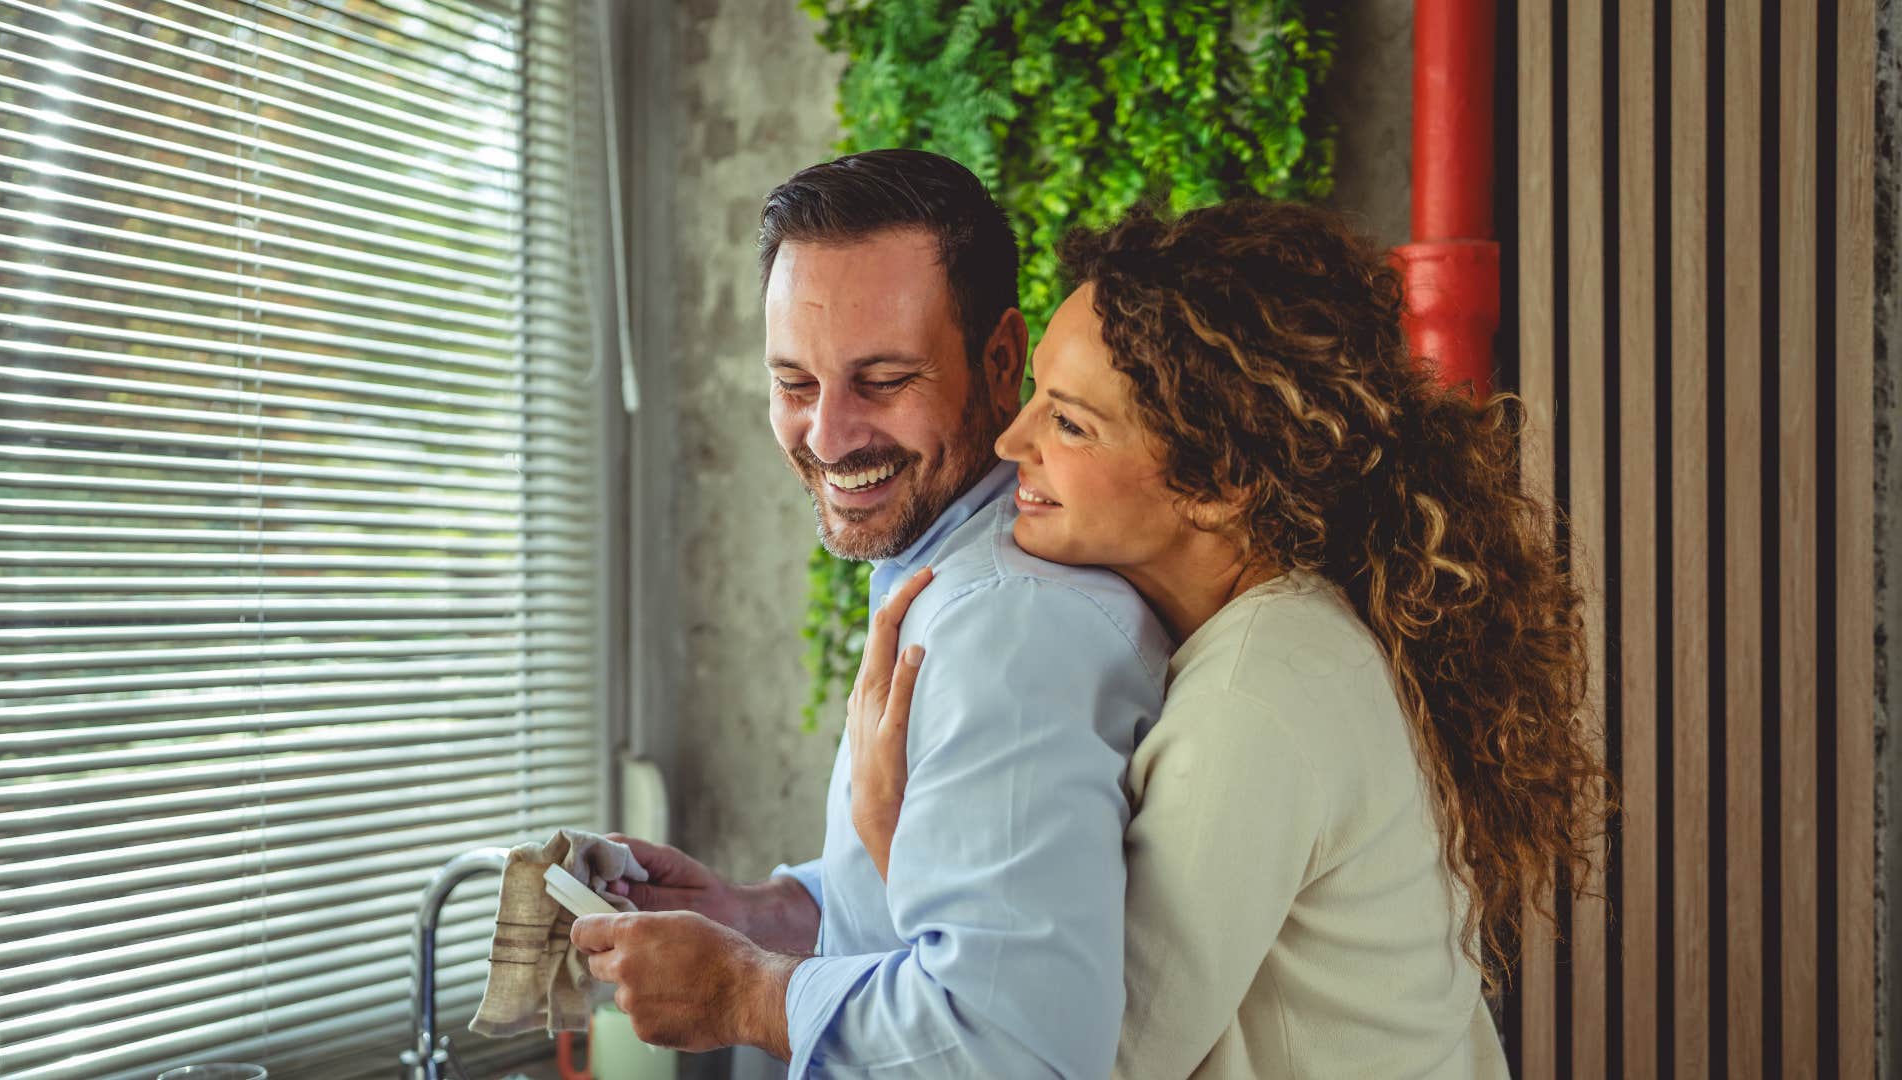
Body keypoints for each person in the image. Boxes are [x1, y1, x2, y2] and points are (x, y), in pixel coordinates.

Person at [845, 198, 1613, 1077]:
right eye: (1034, 398)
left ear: (1217, 486)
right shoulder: (1286, 636)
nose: (1013, 439)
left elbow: (1074, 1063)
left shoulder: (1256, 699)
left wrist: (895, 837)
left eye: (1070, 423)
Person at [569, 149, 1168, 1077]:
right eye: (794, 384)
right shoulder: (939, 572)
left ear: (1000, 360)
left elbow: (1012, 1047)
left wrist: (742, 990)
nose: (828, 435)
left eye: (883, 380)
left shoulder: (1005, 631)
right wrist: (762, 914)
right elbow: (966, 899)